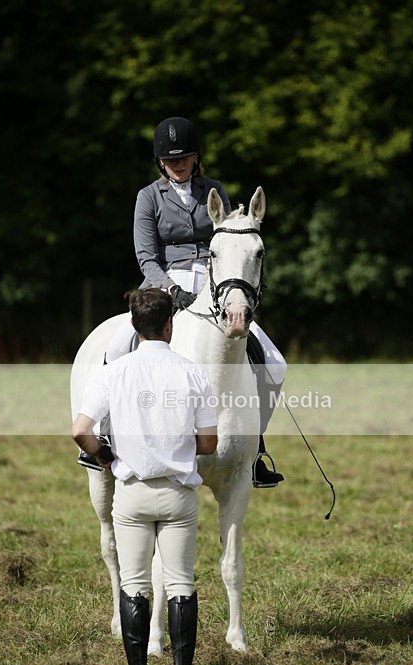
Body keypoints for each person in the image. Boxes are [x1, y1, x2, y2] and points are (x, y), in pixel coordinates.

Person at [104, 116, 286, 488]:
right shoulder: (148, 197)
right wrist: (170, 289)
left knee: (276, 364)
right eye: (171, 160)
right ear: (160, 162)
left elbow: (231, 241)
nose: (178, 164)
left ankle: (255, 450)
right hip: (162, 284)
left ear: (195, 156)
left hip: (215, 284)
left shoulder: (214, 189)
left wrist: (218, 285)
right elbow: (145, 257)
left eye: (184, 157)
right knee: (116, 348)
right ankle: (106, 436)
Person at [72, 288, 218, 665]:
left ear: (134, 327)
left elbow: (80, 430)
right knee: (181, 584)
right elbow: (208, 444)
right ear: (170, 325)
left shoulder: (110, 373)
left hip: (132, 493)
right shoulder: (194, 373)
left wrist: (105, 457)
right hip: (178, 496)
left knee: (134, 584)